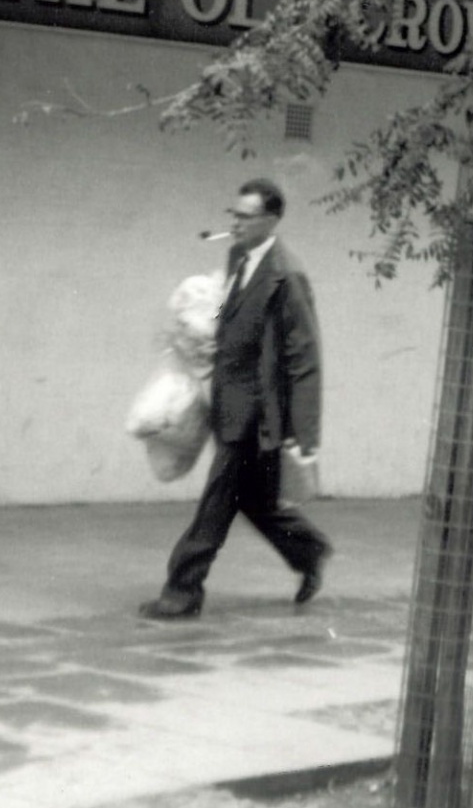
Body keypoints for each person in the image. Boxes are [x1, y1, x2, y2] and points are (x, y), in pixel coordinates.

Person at [139, 178, 330, 619]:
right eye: (234, 215)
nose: (237, 223)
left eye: (246, 216)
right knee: (255, 500)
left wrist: (305, 433)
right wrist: (199, 331)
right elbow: (230, 316)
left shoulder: (286, 274)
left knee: (218, 499)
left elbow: (304, 355)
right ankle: (307, 549)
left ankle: (182, 591)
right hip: (228, 401)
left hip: (259, 413)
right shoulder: (237, 257)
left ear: (272, 220)